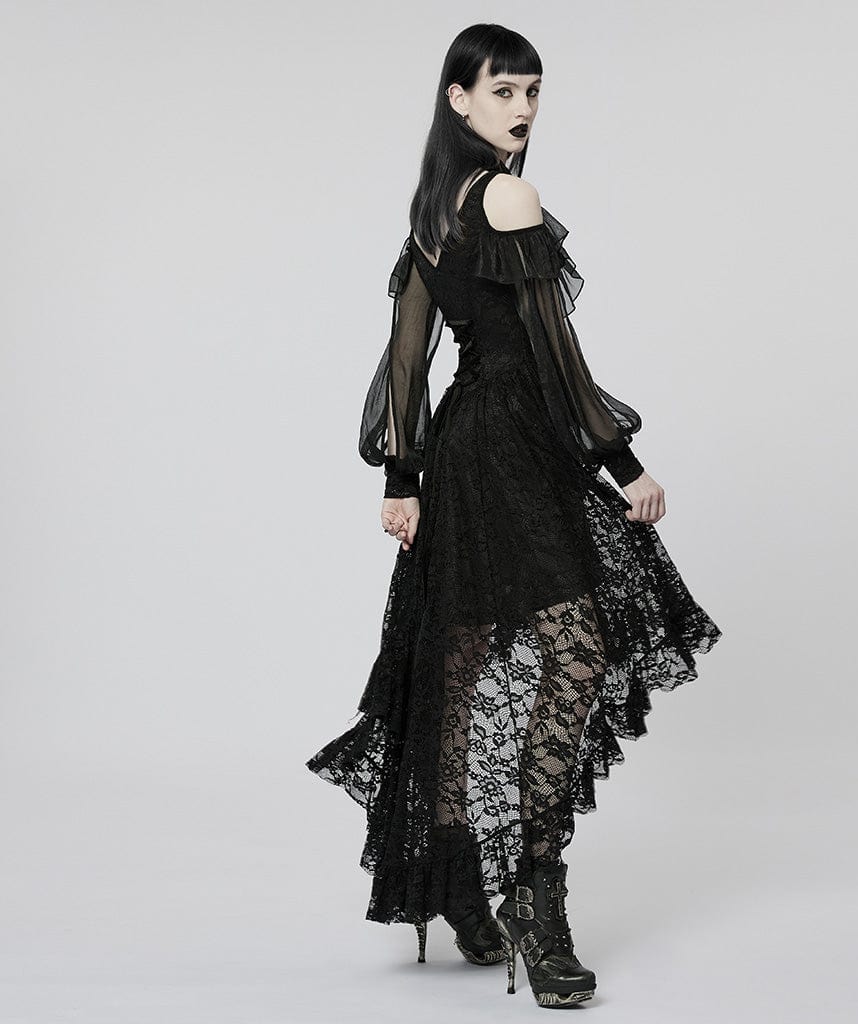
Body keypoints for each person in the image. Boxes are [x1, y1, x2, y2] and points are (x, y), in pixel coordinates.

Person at [305, 23, 723, 1009]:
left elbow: (406, 358)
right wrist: (621, 460)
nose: (524, 108)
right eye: (503, 91)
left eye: (532, 90)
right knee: (574, 649)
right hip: (514, 443)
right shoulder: (506, 195)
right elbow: (551, 349)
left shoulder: (432, 208)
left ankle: (461, 885)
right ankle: (536, 895)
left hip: (461, 445)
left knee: (461, 663)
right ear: (459, 99)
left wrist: (402, 478)